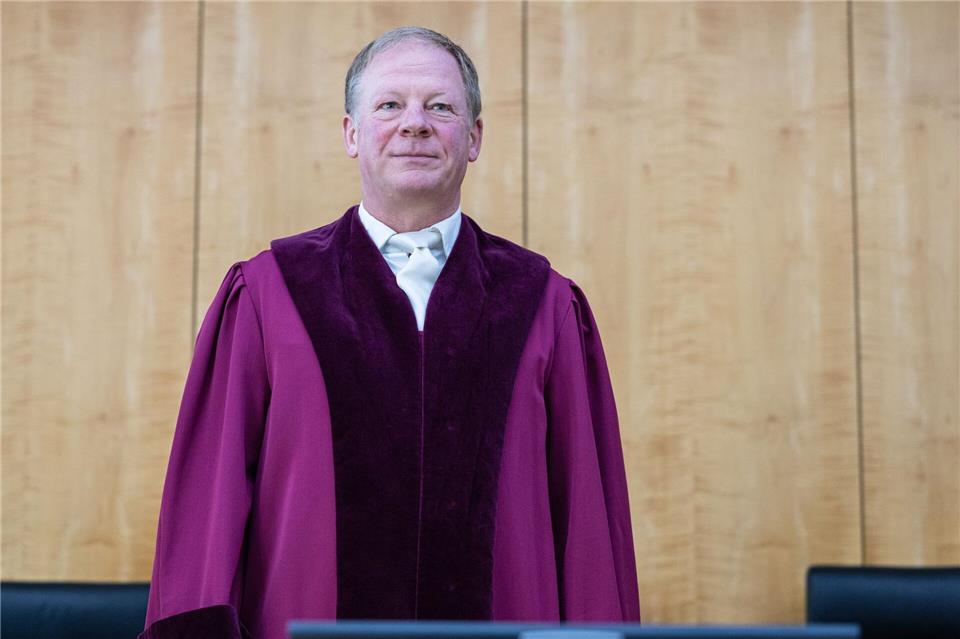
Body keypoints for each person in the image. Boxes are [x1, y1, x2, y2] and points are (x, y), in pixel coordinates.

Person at [141, 26, 640, 639]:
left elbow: (588, 522)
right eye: (389, 105)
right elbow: (207, 516)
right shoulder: (269, 296)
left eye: (440, 106)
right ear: (351, 133)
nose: (415, 124)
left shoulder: (542, 304)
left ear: (474, 137)